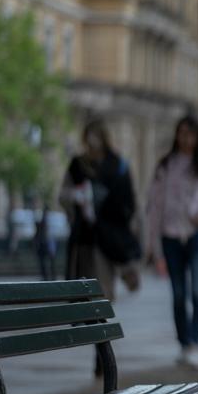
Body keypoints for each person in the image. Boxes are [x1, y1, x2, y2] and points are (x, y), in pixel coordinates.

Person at [145, 115, 198, 371]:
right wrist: (151, 245)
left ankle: (194, 343)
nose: (185, 138)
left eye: (190, 133)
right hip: (170, 235)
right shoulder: (166, 165)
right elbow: (154, 206)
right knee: (179, 294)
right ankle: (184, 343)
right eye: (181, 133)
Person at [59, 119, 141, 299]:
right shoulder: (77, 165)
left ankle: (99, 321)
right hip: (84, 236)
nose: (91, 142)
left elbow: (129, 202)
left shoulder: (117, 165)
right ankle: (86, 322)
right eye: (88, 137)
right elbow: (64, 195)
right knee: (81, 287)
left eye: (96, 137)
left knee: (102, 289)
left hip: (108, 236)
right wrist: (78, 198)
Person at [35, 203, 56, 281]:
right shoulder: (45, 221)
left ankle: (50, 276)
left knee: (48, 262)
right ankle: (49, 277)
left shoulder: (47, 221)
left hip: (46, 244)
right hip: (45, 244)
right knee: (47, 262)